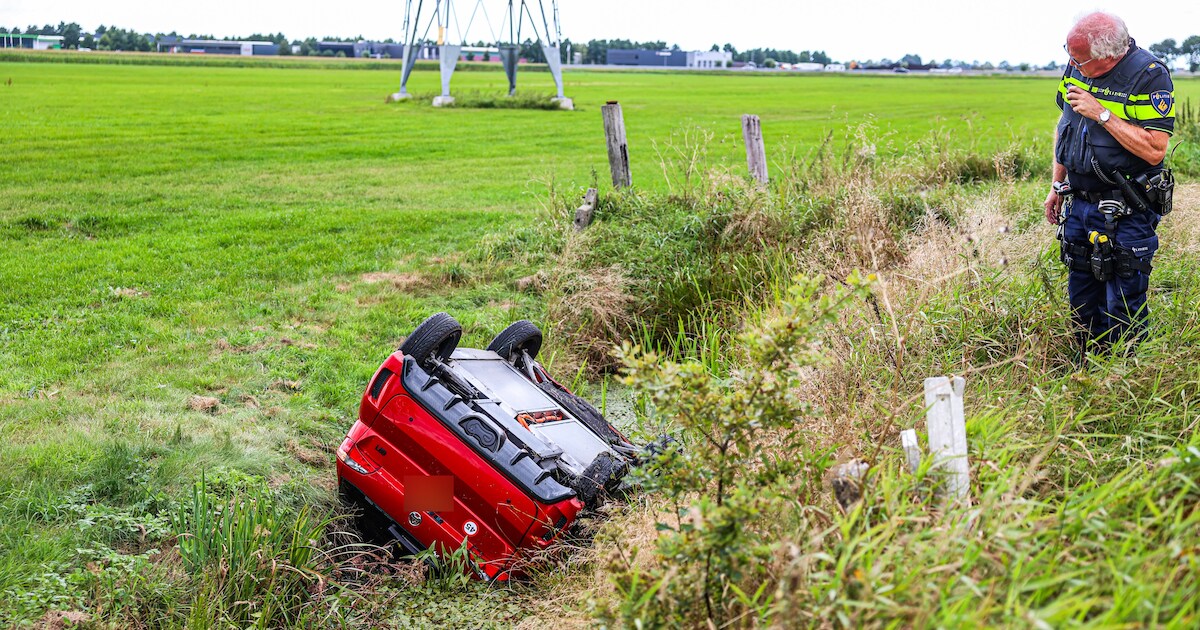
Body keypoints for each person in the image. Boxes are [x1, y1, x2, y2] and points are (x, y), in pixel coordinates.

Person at [1043, 11, 1175, 352]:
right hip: (1079, 203)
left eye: (1080, 59)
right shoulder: (1077, 65)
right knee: (1082, 300)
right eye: (1069, 54)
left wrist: (1102, 113)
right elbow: (1066, 126)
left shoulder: (1149, 76)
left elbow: (1154, 149)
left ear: (1110, 56)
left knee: (1124, 305)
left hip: (1125, 208)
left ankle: (1126, 377)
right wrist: (1057, 185)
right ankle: (1087, 370)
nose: (1072, 63)